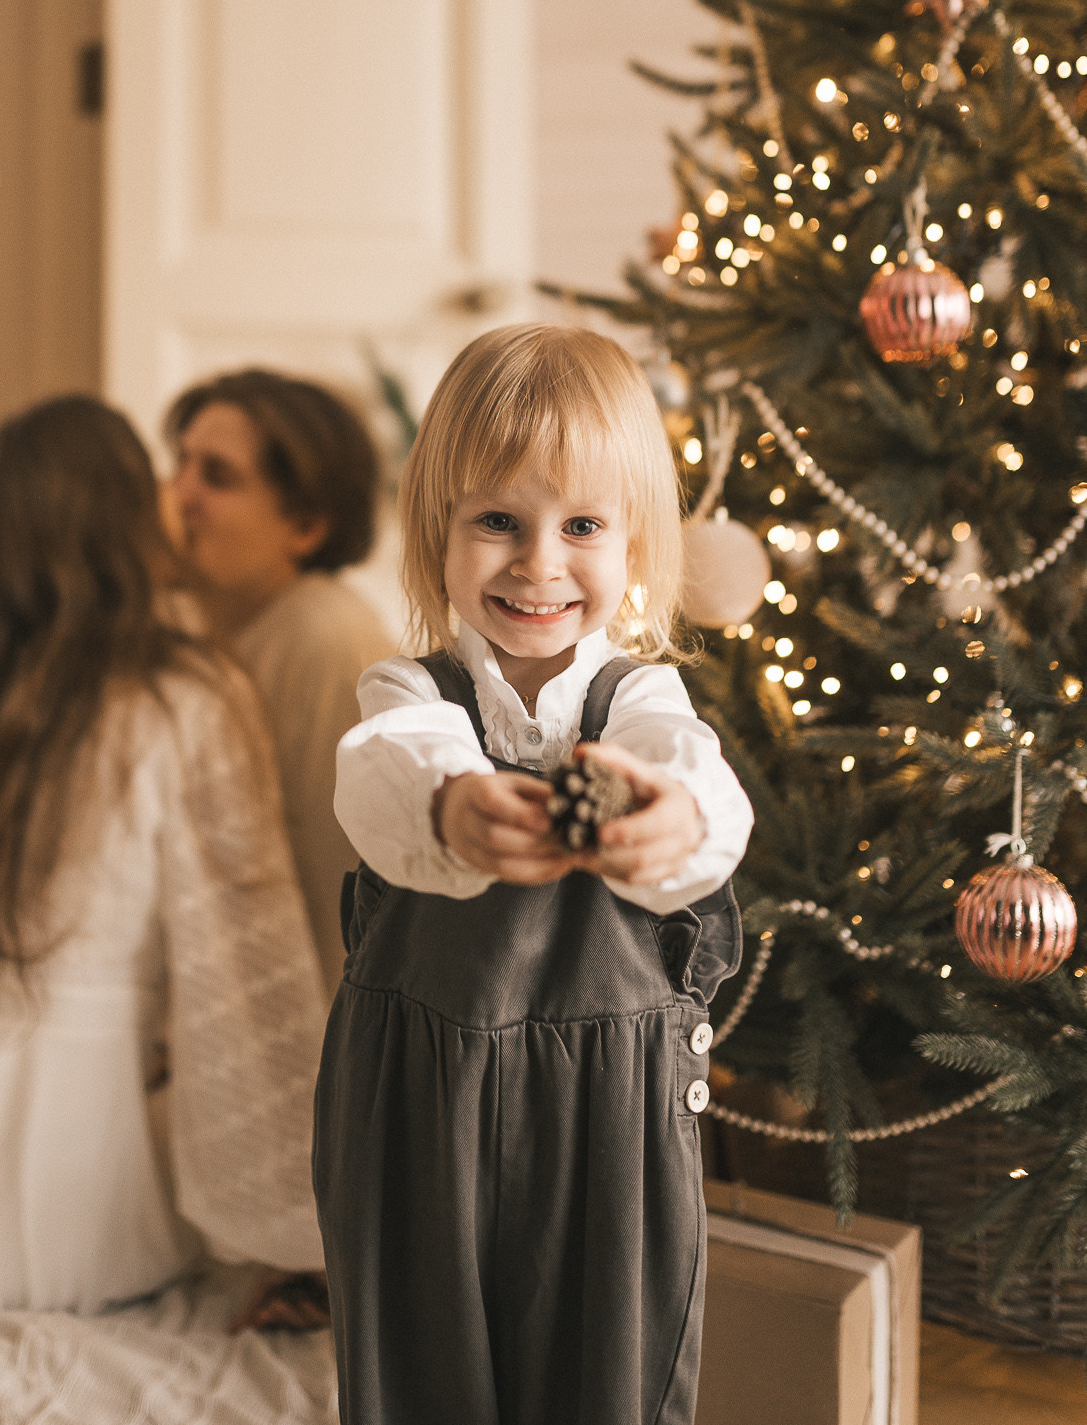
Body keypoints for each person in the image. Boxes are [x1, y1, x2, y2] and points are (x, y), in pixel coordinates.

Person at [313, 325, 755, 1425]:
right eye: (498, 519)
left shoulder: (642, 705)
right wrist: (456, 806)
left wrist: (672, 821)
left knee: (603, 1377)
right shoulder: (408, 695)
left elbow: (702, 785)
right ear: (441, 532)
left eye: (584, 525)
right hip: (420, 1110)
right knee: (417, 1373)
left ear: (637, 545)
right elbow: (380, 777)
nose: (538, 561)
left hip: (607, 1124)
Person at [0, 395, 328, 1321]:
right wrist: (302, 1228)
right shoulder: (187, 698)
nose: (181, 497)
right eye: (165, 477)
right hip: (82, 1184)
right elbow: (249, 965)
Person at [164, 370, 395, 994]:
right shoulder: (187, 623)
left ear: (307, 525)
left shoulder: (326, 640)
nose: (178, 495)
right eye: (180, 463)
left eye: (217, 476)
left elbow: (343, 888)